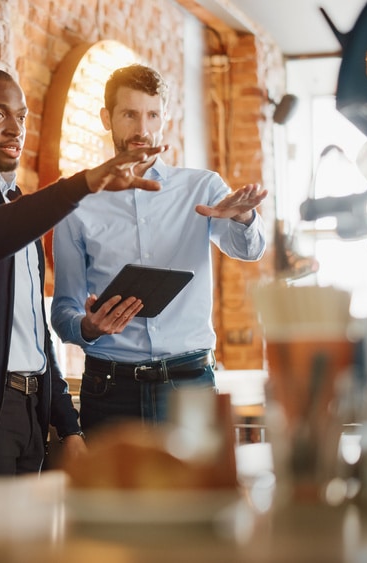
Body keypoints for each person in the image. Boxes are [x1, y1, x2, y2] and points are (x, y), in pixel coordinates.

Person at [0, 68, 167, 475]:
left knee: (27, 539)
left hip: (28, 414)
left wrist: (68, 424)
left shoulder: (13, 203)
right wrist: (80, 185)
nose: (14, 129)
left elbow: (33, 330)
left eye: (21, 117)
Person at [51, 64, 267, 433]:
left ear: (164, 117)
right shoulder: (79, 201)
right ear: (107, 118)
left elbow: (250, 250)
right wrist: (87, 327)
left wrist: (243, 218)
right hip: (110, 389)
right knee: (112, 494)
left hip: (189, 384)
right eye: (129, 115)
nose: (142, 129)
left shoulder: (202, 187)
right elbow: (63, 311)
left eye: (152, 115)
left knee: (196, 493)